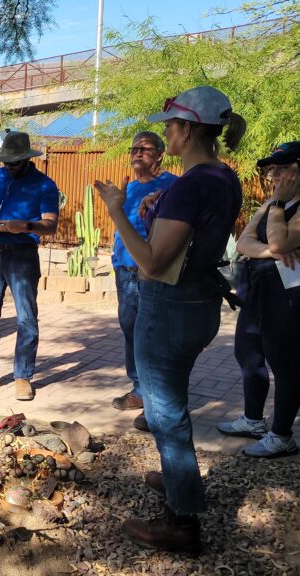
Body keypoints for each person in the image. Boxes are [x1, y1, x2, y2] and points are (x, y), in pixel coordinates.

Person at [94, 85, 246, 554]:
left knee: (165, 415)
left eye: (170, 128)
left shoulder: (191, 182)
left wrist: (118, 211)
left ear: (184, 130)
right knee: (171, 405)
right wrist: (158, 209)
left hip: (168, 306)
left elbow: (153, 264)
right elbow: (195, 235)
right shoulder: (224, 177)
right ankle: (181, 483)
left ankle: (181, 523)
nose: (167, 136)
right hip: (201, 303)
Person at [219, 142, 300, 458]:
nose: (273, 174)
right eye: (271, 168)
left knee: (283, 363)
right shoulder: (274, 203)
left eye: (282, 168)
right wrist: (275, 250)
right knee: (248, 354)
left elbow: (279, 238)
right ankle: (253, 420)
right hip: (262, 292)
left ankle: (282, 436)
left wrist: (277, 219)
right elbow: (245, 243)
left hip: (299, 295)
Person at [0, 131, 59, 400]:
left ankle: (22, 376)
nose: (9, 166)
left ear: (27, 159)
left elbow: (50, 225)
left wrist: (25, 226)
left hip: (22, 255)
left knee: (26, 317)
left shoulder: (44, 185)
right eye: (5, 162)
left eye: (14, 162)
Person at [110, 132, 178, 420]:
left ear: (160, 154)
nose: (137, 153)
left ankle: (159, 398)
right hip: (124, 269)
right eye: (134, 148)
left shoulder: (173, 186)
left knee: (154, 333)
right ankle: (139, 388)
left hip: (151, 271)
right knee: (130, 329)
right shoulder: (129, 188)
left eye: (145, 149)